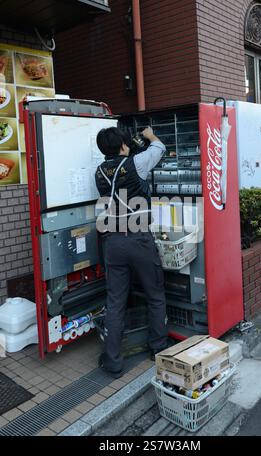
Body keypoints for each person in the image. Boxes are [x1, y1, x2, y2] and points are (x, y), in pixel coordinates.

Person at [95, 126, 168, 378]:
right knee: (155, 295)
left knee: (115, 303)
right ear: (124, 146)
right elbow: (160, 148)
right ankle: (158, 349)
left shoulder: (99, 172)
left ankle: (113, 362)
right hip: (139, 240)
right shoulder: (137, 162)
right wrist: (149, 136)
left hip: (113, 241)